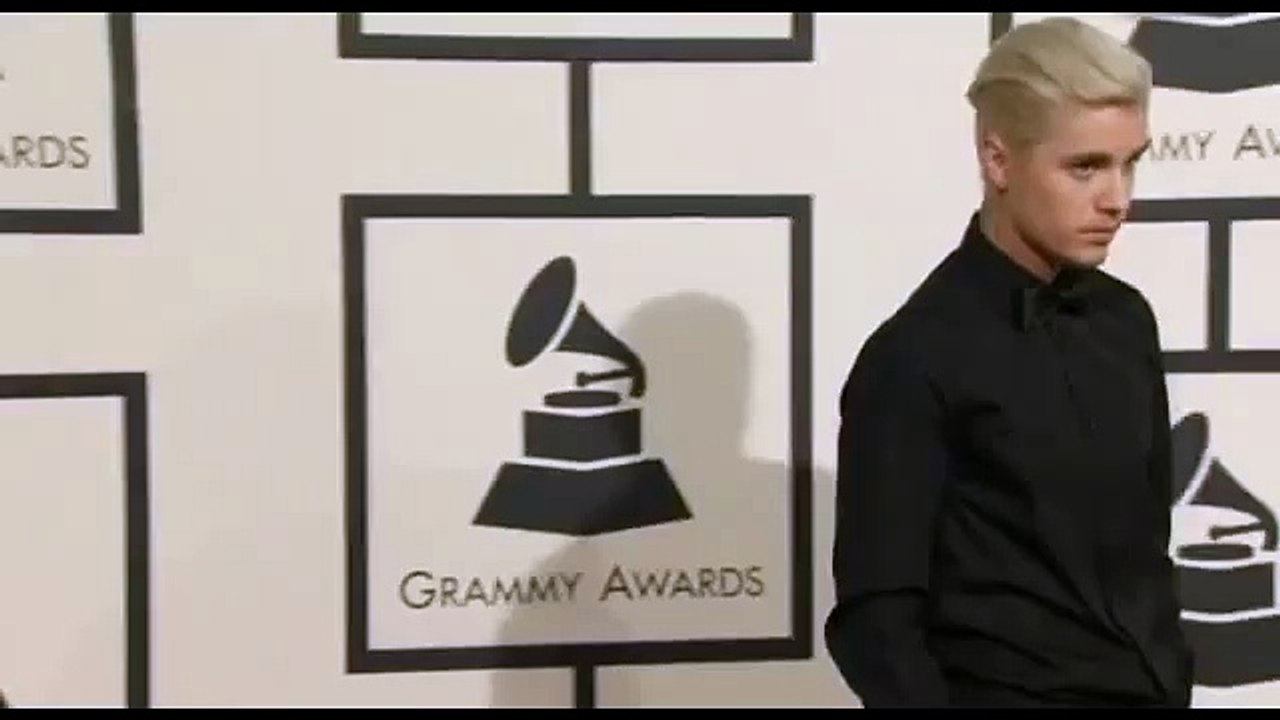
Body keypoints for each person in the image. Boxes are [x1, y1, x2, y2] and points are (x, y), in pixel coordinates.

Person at [824, 16, 1194, 708]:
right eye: (1084, 167)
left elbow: (1147, 553)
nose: (1117, 199)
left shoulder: (1125, 321)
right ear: (998, 161)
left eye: (1129, 162)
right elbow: (876, 621)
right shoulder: (913, 357)